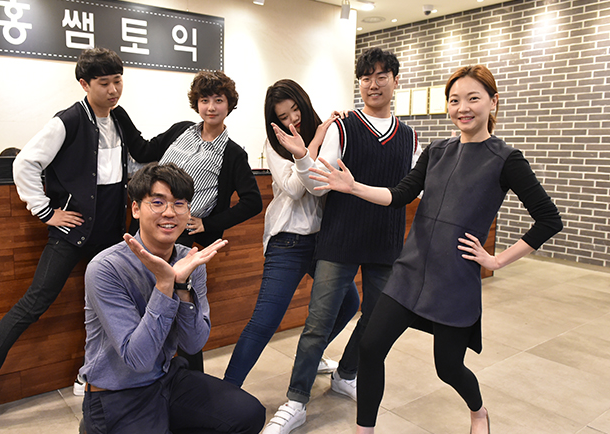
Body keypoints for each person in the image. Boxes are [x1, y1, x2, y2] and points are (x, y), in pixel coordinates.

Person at [308, 65, 563, 434]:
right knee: (371, 346)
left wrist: (496, 260)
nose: (463, 108)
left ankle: (478, 412)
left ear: (493, 102)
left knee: (448, 368)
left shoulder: (506, 159)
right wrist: (354, 187)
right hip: (409, 272)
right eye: (454, 100)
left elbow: (549, 219)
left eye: (473, 98)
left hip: (453, 281)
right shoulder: (437, 150)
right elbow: (400, 195)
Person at [0, 47, 152, 433]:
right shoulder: (68, 120)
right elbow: (24, 163)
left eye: (118, 81)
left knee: (110, 306)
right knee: (34, 304)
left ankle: (90, 373)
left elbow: (142, 154)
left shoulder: (119, 117)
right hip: (71, 232)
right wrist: (46, 212)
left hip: (110, 233)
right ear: (84, 84)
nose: (114, 90)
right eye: (104, 83)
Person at [261, 48, 422, 434]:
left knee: (376, 321)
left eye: (381, 76)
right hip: (340, 239)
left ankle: (346, 373)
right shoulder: (343, 127)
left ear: (396, 81)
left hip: (386, 242)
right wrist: (303, 156)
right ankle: (296, 400)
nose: (373, 84)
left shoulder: (410, 136)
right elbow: (318, 187)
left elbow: (412, 191)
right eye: (366, 77)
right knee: (318, 324)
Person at [79, 162, 265, 434]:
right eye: (157, 202)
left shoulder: (189, 260)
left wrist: (181, 286)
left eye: (179, 204)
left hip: (166, 378)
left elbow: (193, 343)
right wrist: (165, 285)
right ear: (135, 209)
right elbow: (138, 360)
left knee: (248, 414)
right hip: (117, 394)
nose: (169, 212)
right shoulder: (107, 268)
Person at [117, 70, 263, 371]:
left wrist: (208, 224)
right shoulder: (180, 130)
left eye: (218, 100)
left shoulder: (233, 153)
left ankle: (192, 377)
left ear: (229, 104)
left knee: (182, 304)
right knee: (143, 296)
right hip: (149, 226)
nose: (211, 107)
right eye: (204, 100)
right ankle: (143, 370)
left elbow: (253, 202)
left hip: (183, 237)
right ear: (196, 103)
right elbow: (143, 150)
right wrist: (116, 110)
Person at [223, 79, 357, 387]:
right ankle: (227, 388)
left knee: (349, 302)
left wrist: (337, 129)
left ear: (304, 103)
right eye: (283, 116)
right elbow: (297, 189)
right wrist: (309, 147)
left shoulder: (329, 133)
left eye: (295, 110)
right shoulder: (276, 144)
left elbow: (323, 185)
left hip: (324, 241)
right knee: (265, 320)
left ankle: (311, 355)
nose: (292, 119)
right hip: (288, 241)